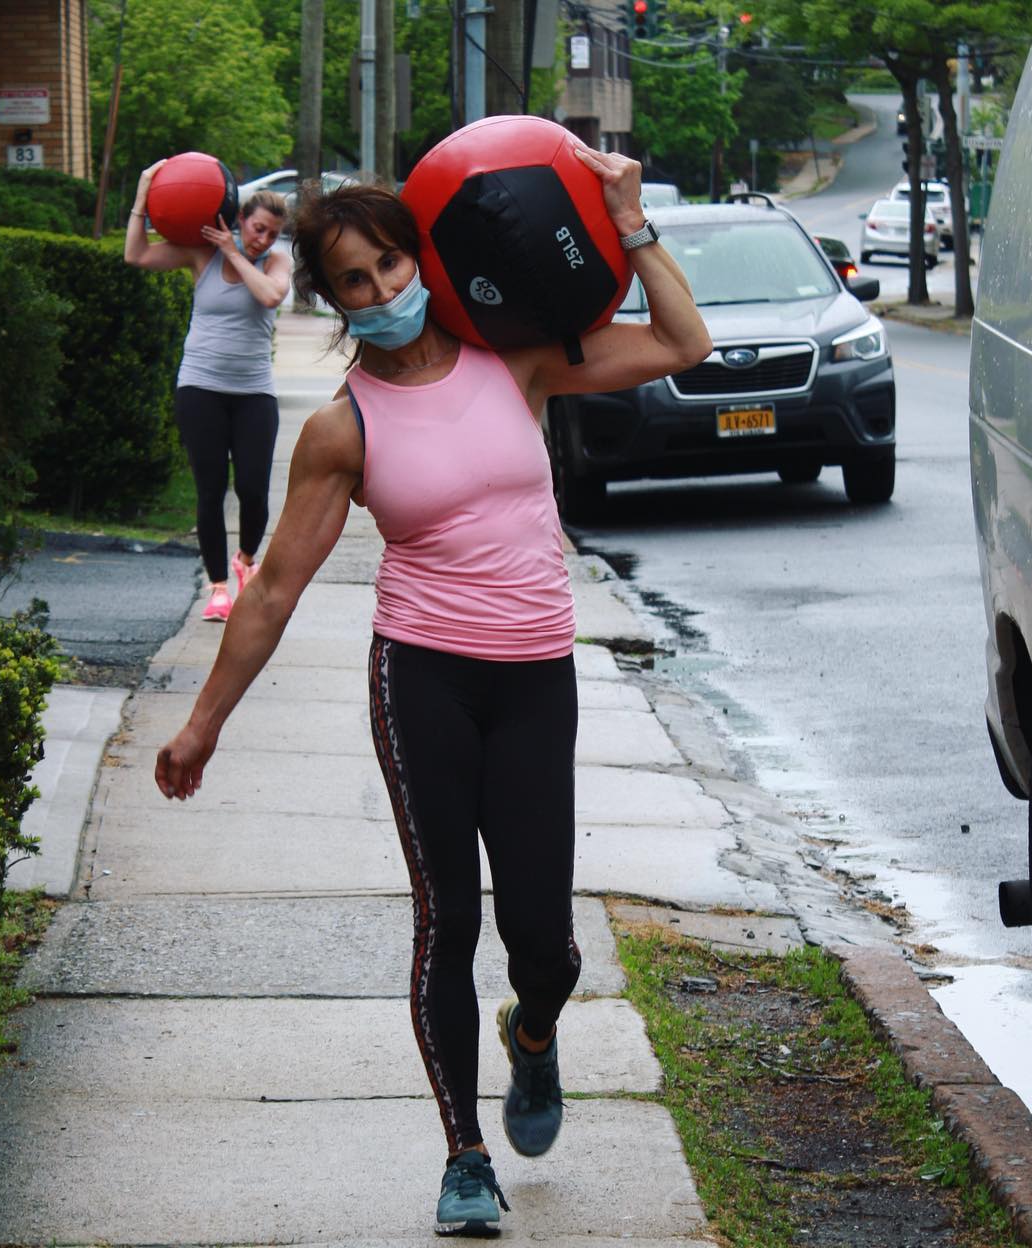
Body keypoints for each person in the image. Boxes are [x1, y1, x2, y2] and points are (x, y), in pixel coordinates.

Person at [153, 150, 711, 1235]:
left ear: (423, 261)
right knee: (448, 919)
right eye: (352, 281)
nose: (377, 292)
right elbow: (268, 596)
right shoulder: (339, 433)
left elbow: (687, 343)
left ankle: (534, 1035)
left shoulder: (517, 362)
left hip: (536, 675)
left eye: (389, 265)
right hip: (425, 679)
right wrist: (201, 724)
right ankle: (463, 1155)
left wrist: (631, 223)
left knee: (544, 943)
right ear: (333, 299)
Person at [125, 161, 294, 622]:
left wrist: (236, 252)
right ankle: (218, 587)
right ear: (241, 220)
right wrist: (143, 197)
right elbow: (136, 256)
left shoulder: (276, 260)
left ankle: (246, 563)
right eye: (257, 228)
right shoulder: (202, 255)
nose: (263, 239)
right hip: (200, 386)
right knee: (210, 489)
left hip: (254, 392)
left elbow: (270, 296)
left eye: (271, 233)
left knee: (254, 490)